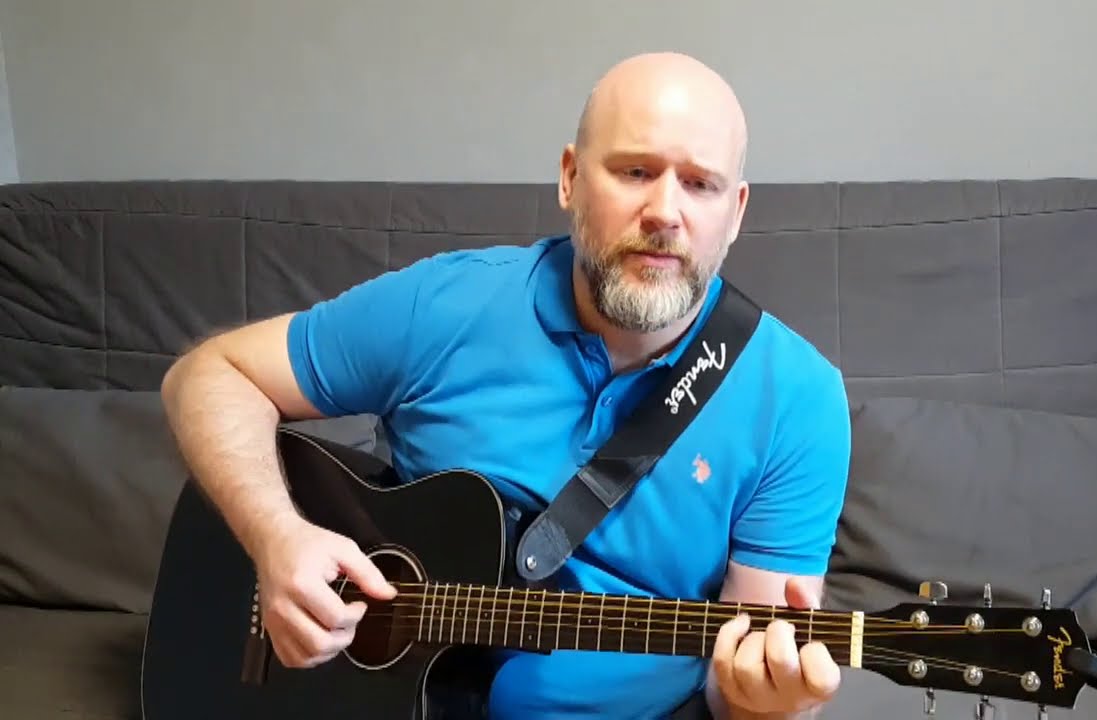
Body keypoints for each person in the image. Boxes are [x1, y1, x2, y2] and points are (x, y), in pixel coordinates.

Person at [160, 51, 852, 719]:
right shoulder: (447, 305)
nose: (665, 212)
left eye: (700, 184)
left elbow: (747, 680)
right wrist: (276, 538)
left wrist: (768, 706)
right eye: (635, 171)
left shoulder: (798, 400)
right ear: (569, 178)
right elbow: (209, 374)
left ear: (735, 212)